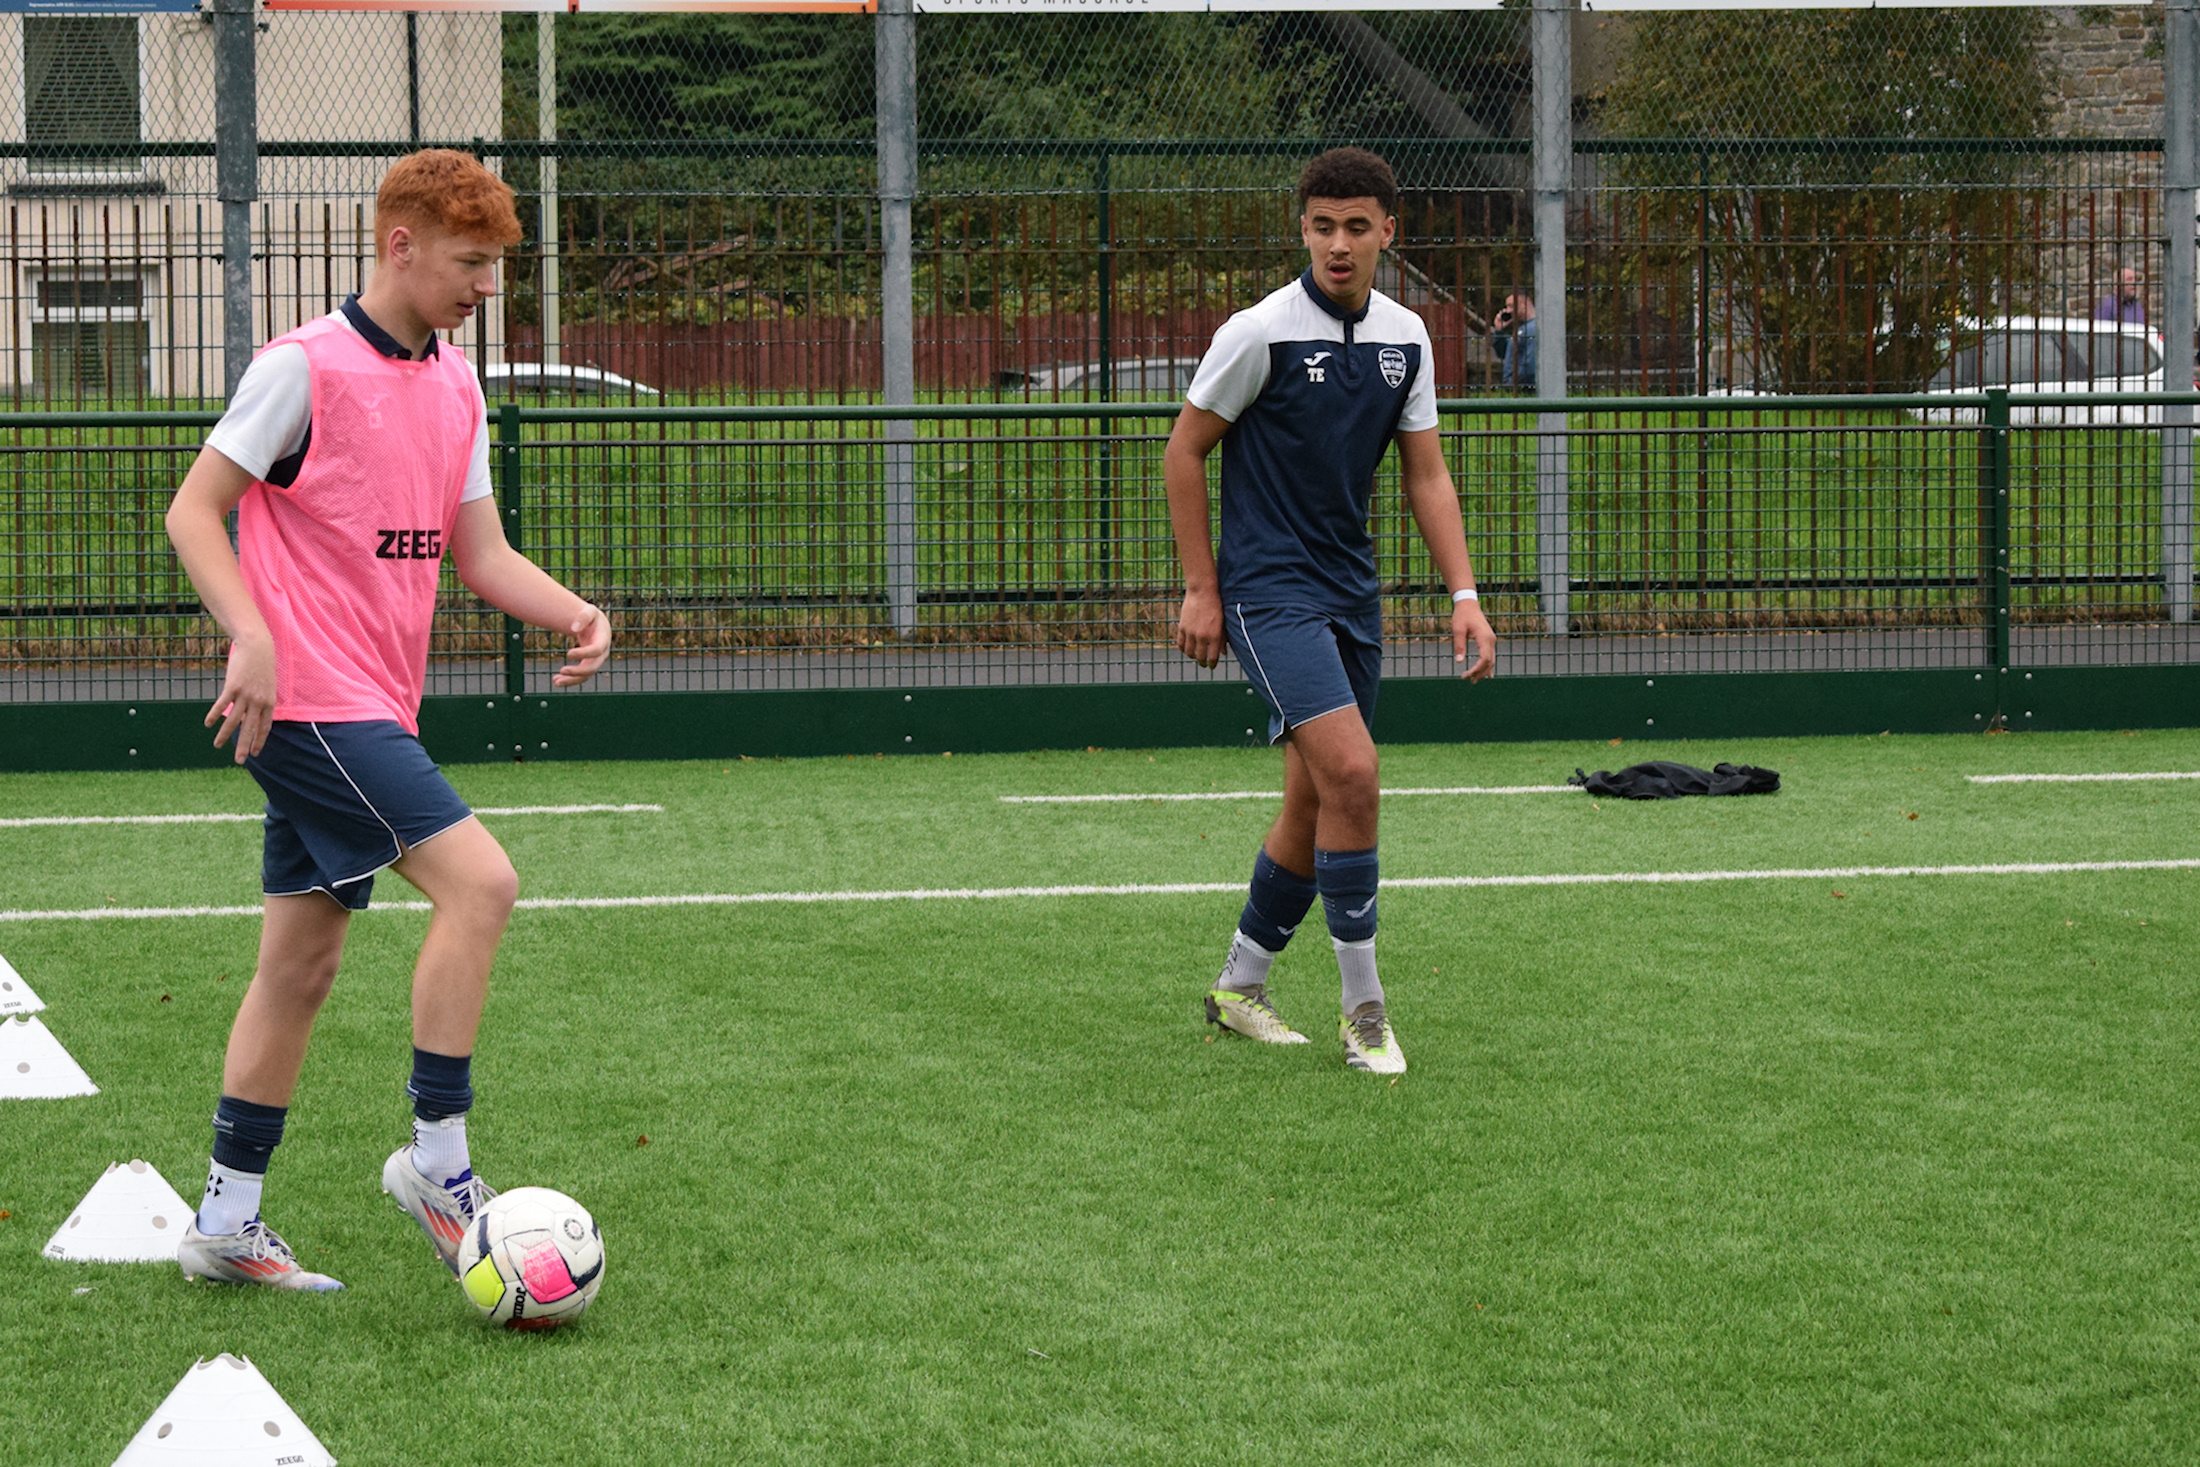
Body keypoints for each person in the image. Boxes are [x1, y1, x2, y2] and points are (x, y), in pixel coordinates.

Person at [162, 149, 612, 1291]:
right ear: (399, 245)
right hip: (311, 705)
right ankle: (439, 1162)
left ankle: (226, 1218)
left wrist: (576, 611)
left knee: (300, 967)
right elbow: (194, 512)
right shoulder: (300, 367)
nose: (483, 286)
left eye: (495, 266)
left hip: (372, 709)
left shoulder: (456, 385)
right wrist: (253, 636)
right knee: (483, 884)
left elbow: (480, 552)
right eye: (469, 262)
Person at [1165, 147, 1497, 1075]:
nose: (1339, 244)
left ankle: (1239, 986)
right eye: (1322, 227)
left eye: (1358, 226)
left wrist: (1465, 597)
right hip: (1270, 594)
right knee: (1353, 772)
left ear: (1390, 231)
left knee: (1316, 800)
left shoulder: (1408, 337)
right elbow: (1183, 451)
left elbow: (1427, 474)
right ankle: (1366, 1014)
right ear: (1301, 229)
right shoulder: (1259, 331)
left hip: (1353, 593)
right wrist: (1203, 587)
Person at [1492, 287, 1538, 388]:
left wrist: (1512, 384)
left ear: (1526, 303)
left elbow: (1530, 365)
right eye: (1507, 307)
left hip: (1522, 389)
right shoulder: (1521, 329)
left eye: (1511, 306)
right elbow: (1504, 353)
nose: (1508, 311)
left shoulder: (1533, 329)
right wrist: (1499, 330)